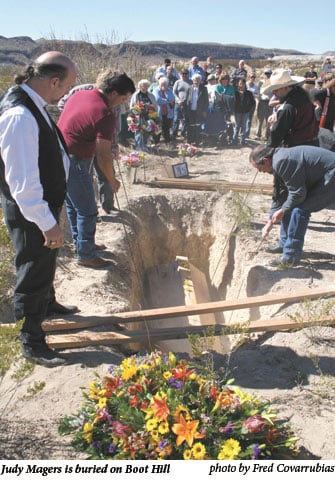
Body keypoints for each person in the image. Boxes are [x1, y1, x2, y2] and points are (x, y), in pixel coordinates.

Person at [0, 51, 78, 367]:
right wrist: (47, 223)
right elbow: (22, 182)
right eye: (67, 86)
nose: (68, 93)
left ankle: (48, 304)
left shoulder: (33, 104)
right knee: (33, 267)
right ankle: (32, 339)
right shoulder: (19, 115)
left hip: (41, 205)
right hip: (31, 209)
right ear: (54, 81)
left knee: (45, 261)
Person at [58, 72, 136, 269]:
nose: (123, 103)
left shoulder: (80, 95)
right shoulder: (104, 113)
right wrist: (112, 180)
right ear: (114, 93)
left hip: (59, 155)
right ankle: (86, 255)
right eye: (124, 98)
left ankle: (82, 244)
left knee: (74, 206)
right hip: (73, 160)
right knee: (88, 210)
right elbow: (103, 155)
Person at [249, 144, 335, 268]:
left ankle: (291, 256)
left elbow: (298, 194)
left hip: (332, 174)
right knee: (288, 206)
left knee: (300, 209)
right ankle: (284, 244)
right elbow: (280, 194)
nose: (261, 172)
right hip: (327, 173)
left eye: (259, 168)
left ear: (266, 160)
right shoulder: (278, 160)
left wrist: (283, 210)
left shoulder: (282, 161)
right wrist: (270, 220)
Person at [58, 80, 121, 215]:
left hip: (103, 142)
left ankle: (108, 205)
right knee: (86, 177)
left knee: (105, 173)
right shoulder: (81, 91)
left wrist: (114, 145)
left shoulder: (116, 99)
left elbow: (115, 126)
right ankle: (90, 209)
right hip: (82, 145)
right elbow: (62, 105)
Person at [262, 69, 319, 148]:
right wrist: (277, 115)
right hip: (312, 145)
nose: (273, 93)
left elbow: (276, 136)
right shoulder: (302, 96)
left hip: (298, 149)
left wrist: (266, 151)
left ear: (285, 88)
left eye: (276, 90)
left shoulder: (289, 107)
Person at [129, 78, 159, 151]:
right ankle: (138, 146)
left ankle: (144, 145)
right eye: (143, 86)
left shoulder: (151, 95)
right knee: (138, 131)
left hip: (148, 116)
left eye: (146, 86)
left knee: (147, 130)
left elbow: (155, 105)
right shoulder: (136, 95)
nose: (144, 87)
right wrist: (133, 114)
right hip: (138, 116)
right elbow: (132, 106)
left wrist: (154, 114)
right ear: (140, 86)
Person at [184, 73, 209, 145]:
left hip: (199, 111)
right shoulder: (189, 88)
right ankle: (190, 141)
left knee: (198, 126)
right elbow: (186, 99)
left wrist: (204, 110)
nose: (196, 81)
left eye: (198, 80)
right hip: (190, 111)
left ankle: (197, 141)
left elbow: (206, 101)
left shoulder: (204, 89)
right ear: (192, 80)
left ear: (200, 80)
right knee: (190, 126)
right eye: (195, 79)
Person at [232, 78, 256, 146]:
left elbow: (252, 102)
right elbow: (233, 102)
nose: (241, 85)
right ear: (238, 84)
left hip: (245, 112)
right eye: (240, 84)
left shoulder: (249, 93)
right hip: (237, 112)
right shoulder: (235, 92)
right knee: (237, 126)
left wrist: (249, 109)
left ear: (245, 84)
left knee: (243, 126)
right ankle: (234, 140)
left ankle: (242, 141)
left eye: (242, 83)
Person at [153, 76, 175, 144]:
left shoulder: (169, 90)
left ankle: (167, 141)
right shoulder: (156, 90)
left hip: (167, 113)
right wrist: (167, 101)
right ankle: (156, 142)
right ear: (159, 84)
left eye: (165, 84)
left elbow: (172, 98)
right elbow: (158, 100)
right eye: (162, 84)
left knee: (166, 128)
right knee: (158, 128)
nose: (164, 86)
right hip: (159, 112)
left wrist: (166, 99)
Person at [172, 68, 191, 140]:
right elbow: (174, 92)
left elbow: (192, 92)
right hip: (178, 103)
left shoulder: (191, 82)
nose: (184, 75)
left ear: (188, 75)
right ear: (180, 74)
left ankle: (183, 132)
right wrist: (178, 100)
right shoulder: (177, 82)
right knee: (176, 119)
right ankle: (174, 134)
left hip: (187, 104)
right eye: (183, 74)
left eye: (186, 74)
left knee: (185, 119)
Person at [255, 69, 273, 139]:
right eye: (266, 74)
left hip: (270, 102)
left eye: (269, 74)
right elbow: (258, 92)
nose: (267, 75)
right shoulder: (261, 82)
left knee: (269, 120)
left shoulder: (273, 82)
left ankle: (267, 135)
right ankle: (258, 134)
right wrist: (258, 100)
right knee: (260, 119)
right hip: (262, 102)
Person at [246, 72, 259, 137]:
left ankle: (247, 134)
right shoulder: (246, 84)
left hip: (252, 103)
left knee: (249, 119)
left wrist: (253, 95)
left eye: (254, 77)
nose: (252, 78)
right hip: (245, 103)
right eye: (251, 77)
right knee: (244, 118)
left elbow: (257, 94)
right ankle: (242, 133)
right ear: (249, 77)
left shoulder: (256, 86)